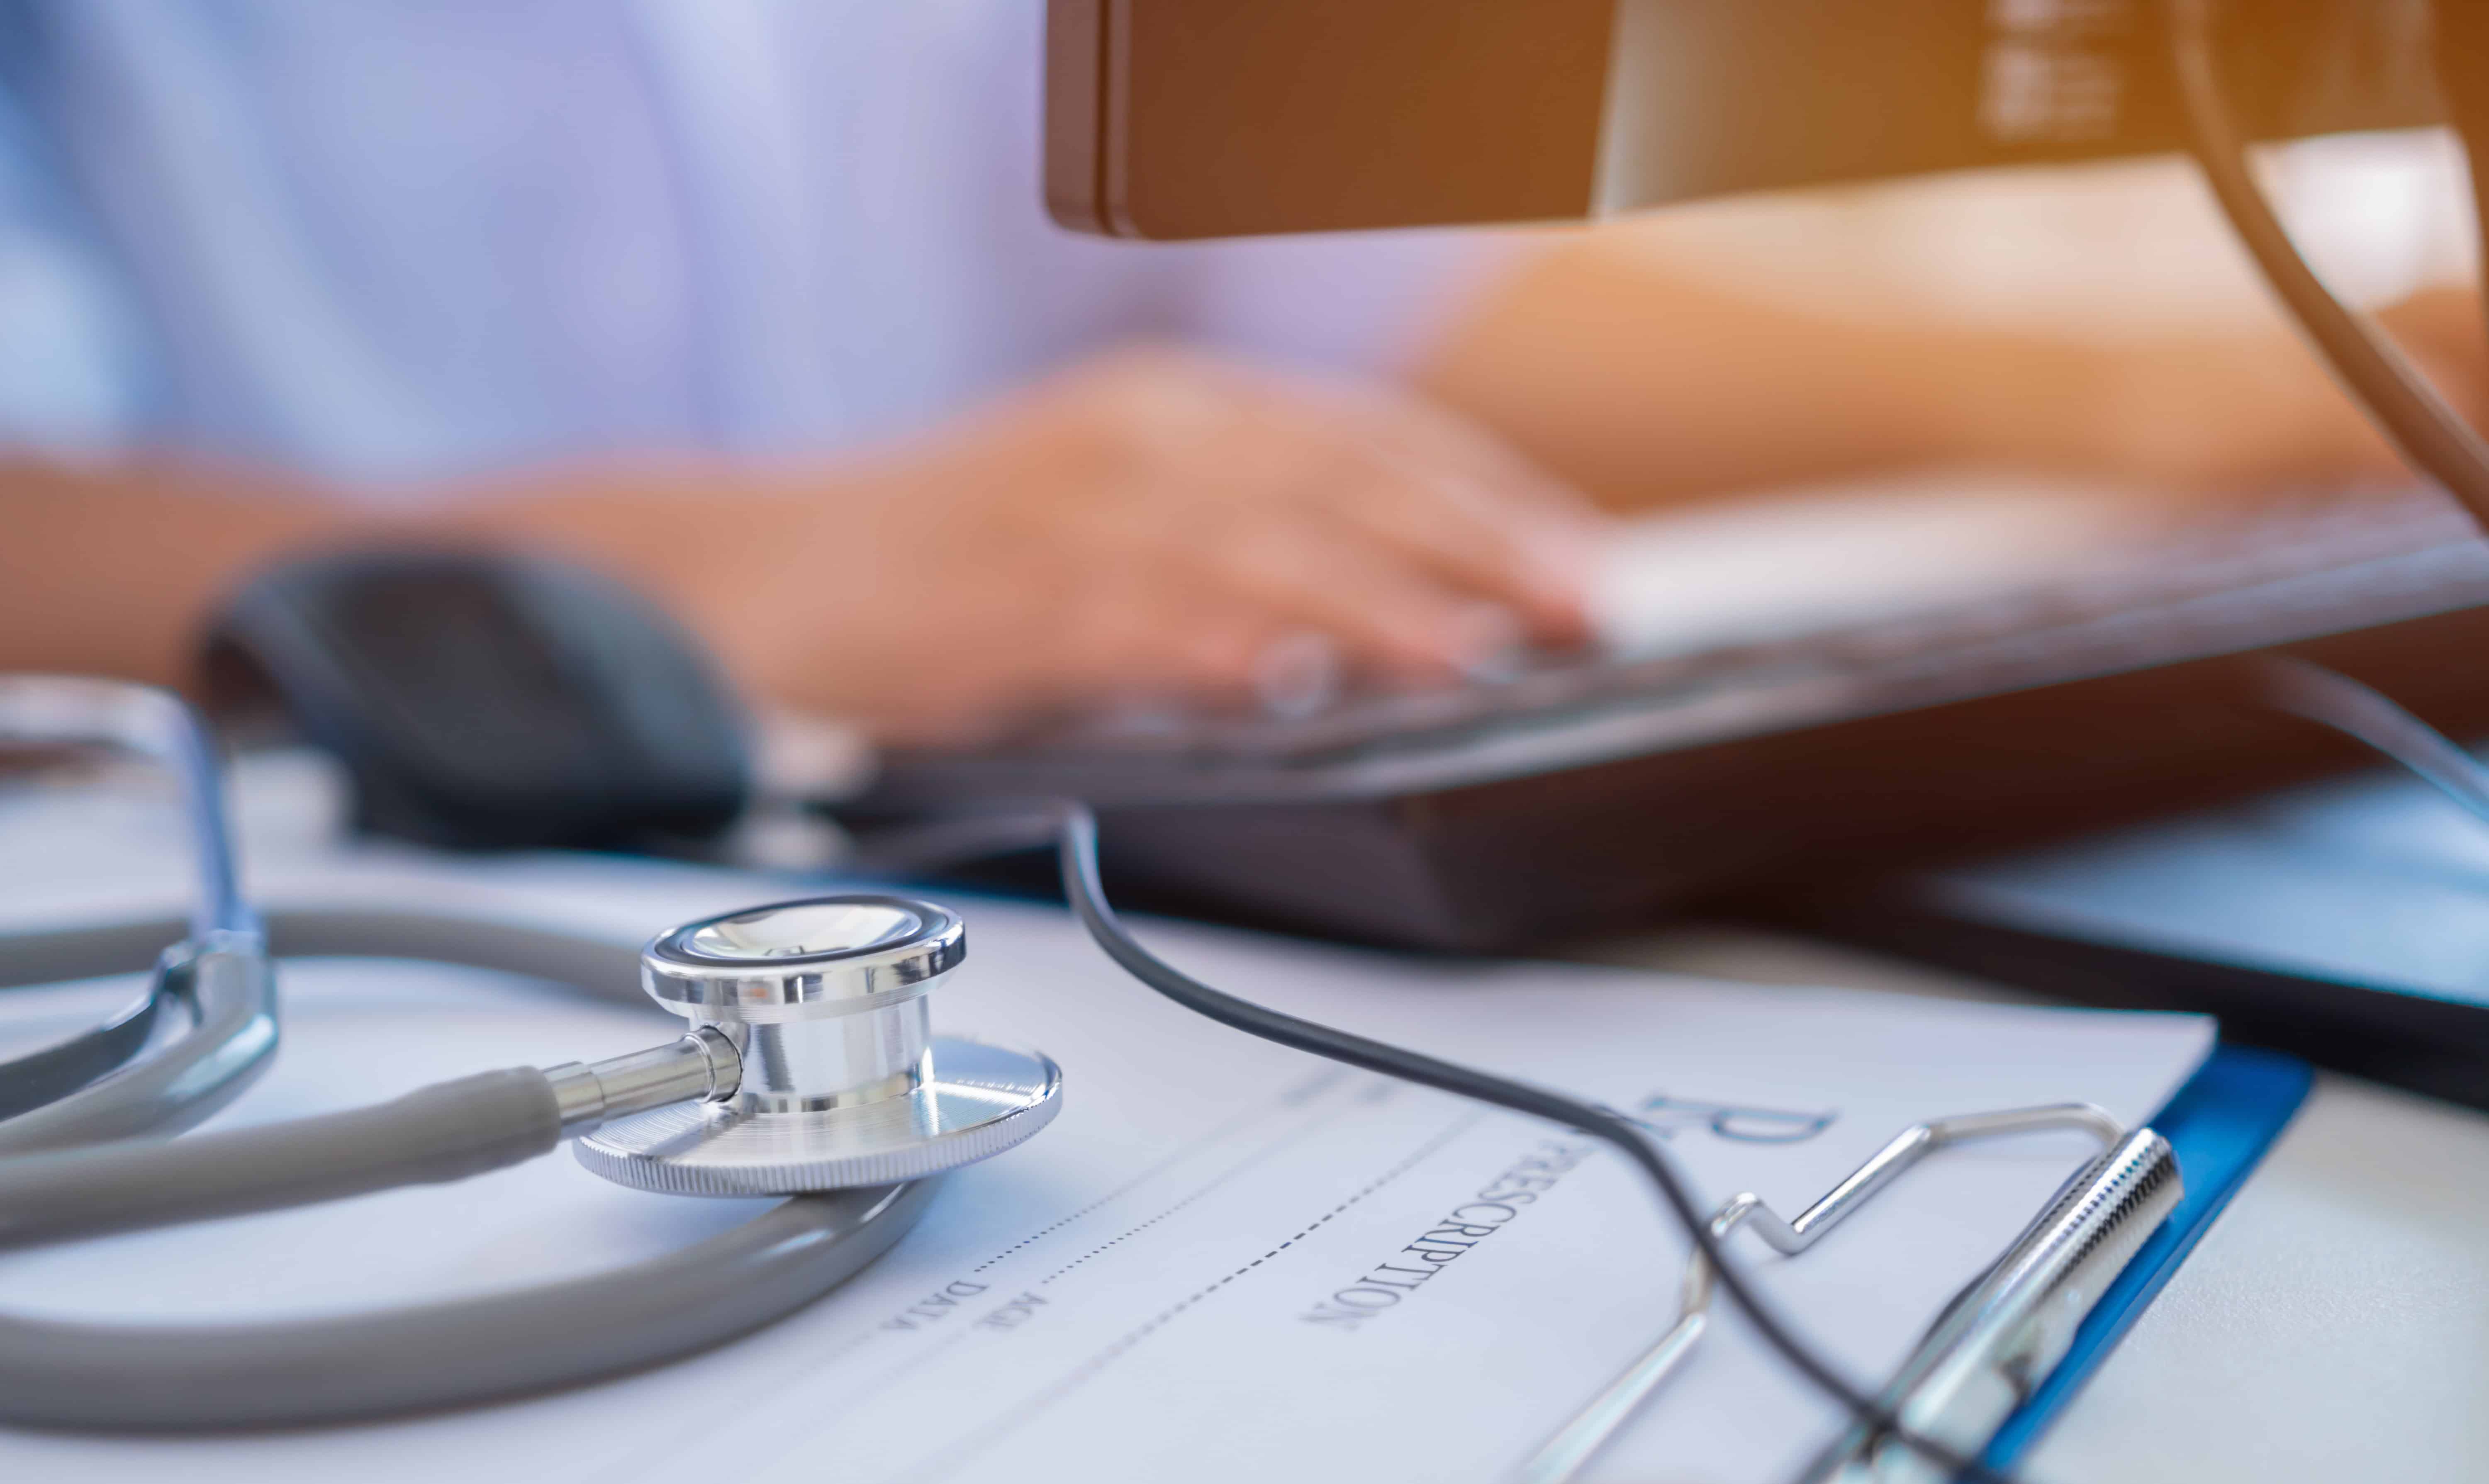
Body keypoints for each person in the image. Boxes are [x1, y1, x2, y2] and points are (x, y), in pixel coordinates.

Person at [0, 2, 2477, 742]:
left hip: (1037, 782)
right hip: (308, 855)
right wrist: (750, 565)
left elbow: (1361, 296)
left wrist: (2122, 394)